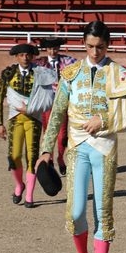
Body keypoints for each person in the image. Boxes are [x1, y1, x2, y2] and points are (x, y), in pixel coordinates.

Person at [37, 21, 126, 253]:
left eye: (100, 47)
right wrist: (46, 149)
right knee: (75, 213)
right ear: (83, 45)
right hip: (76, 147)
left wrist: (105, 119)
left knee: (103, 212)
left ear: (108, 45)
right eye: (89, 46)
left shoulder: (118, 73)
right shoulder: (71, 73)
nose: (95, 52)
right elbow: (57, 112)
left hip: (104, 148)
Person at [0, 43, 48, 209]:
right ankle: (19, 185)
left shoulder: (40, 74)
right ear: (16, 57)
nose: (25, 58)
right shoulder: (8, 73)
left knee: (32, 157)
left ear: (32, 56)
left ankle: (30, 195)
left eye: (28, 55)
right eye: (22, 55)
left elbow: (47, 99)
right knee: (14, 156)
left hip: (34, 119)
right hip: (15, 119)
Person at [33, 37, 77, 175]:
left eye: (55, 48)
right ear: (46, 49)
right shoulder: (40, 62)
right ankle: (50, 157)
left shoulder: (67, 61)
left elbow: (80, 68)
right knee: (47, 132)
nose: (52, 51)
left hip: (62, 102)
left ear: (59, 48)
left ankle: (60, 158)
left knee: (62, 135)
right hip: (47, 102)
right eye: (50, 48)